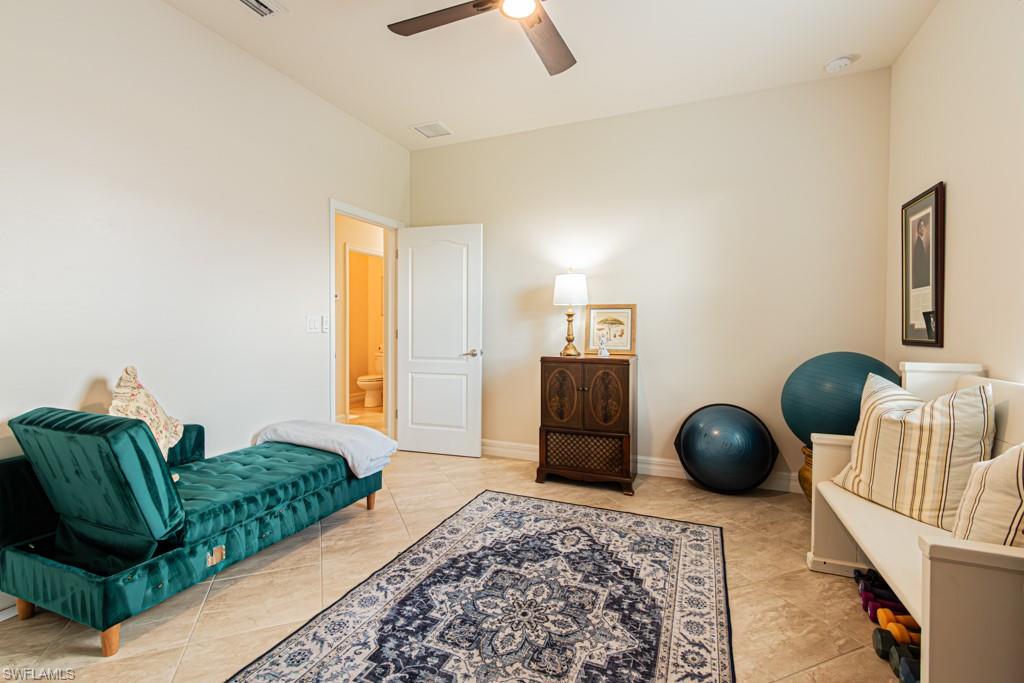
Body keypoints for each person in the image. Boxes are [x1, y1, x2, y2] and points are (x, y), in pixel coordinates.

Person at [912, 219, 930, 288]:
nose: (922, 228)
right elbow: (918, 266)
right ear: (918, 229)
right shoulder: (918, 244)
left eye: (923, 226)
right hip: (921, 281)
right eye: (920, 226)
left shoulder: (921, 242)